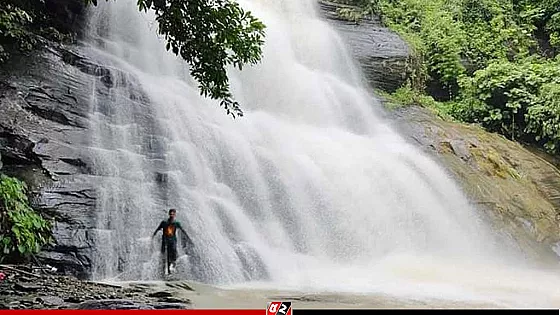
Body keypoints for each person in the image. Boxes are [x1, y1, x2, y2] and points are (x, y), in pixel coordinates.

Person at [152, 208, 193, 274]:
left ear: (175, 215)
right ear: (169, 214)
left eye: (173, 214)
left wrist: (189, 238)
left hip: (172, 240)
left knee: (173, 253)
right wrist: (153, 236)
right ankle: (164, 271)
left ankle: (172, 267)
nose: (171, 215)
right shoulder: (164, 222)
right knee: (165, 255)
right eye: (170, 214)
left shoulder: (176, 223)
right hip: (165, 240)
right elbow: (157, 229)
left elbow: (183, 230)